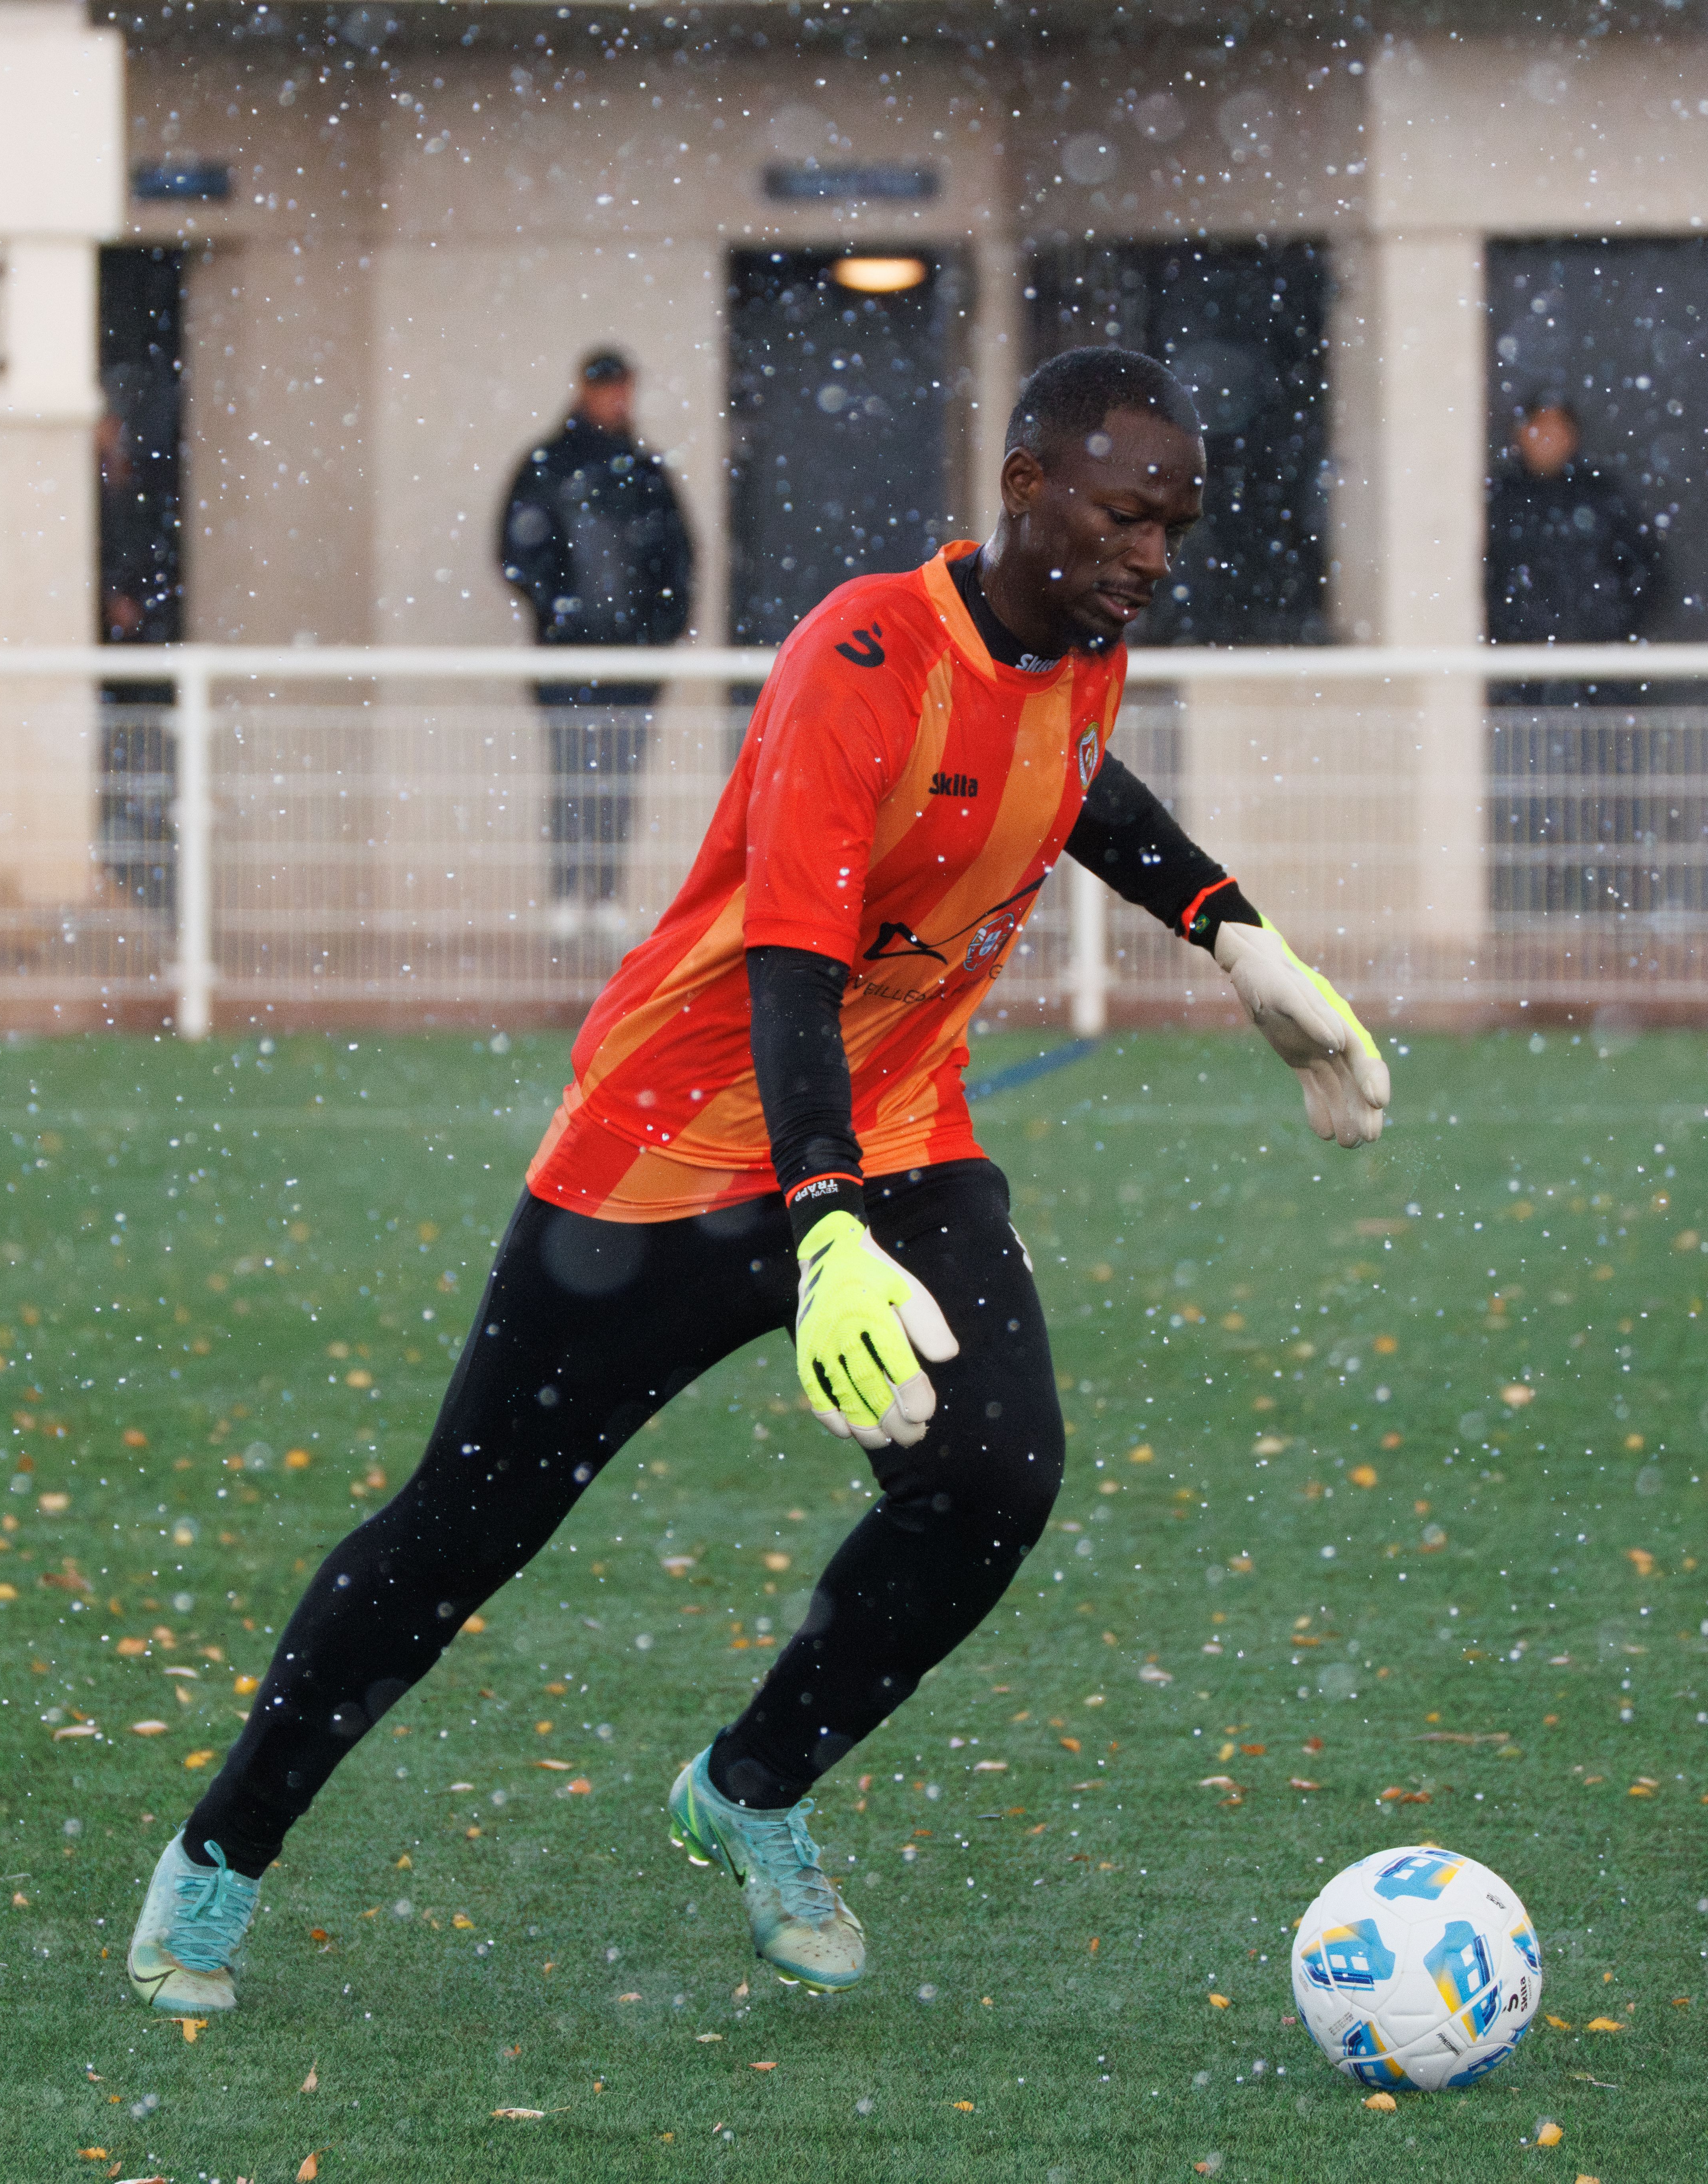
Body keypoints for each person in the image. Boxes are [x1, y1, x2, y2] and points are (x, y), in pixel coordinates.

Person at [128, 347, 1389, 2015]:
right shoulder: (860, 657)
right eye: (1123, 516)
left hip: (897, 1134)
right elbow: (790, 973)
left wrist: (1232, 930)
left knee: (994, 1477)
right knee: (464, 1528)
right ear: (1023, 487)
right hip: (669, 1154)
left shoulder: (1085, 646)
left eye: (1176, 526)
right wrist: (822, 1228)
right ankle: (220, 1849)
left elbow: (1075, 780)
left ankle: (751, 1786)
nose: (1152, 556)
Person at [499, 350, 695, 903]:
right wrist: (559, 612)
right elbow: (517, 551)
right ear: (584, 390)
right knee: (572, 773)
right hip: (569, 656)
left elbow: (677, 560)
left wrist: (659, 632)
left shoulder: (645, 473)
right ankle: (567, 894)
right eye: (608, 389)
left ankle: (604, 895)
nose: (617, 400)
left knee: (617, 780)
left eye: (623, 389)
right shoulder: (549, 467)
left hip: (631, 659)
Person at [1486, 399, 1660, 701]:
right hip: (1518, 676)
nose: (1548, 439)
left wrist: (1612, 628)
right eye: (1539, 428)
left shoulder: (1601, 494)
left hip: (1600, 677)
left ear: (1573, 436)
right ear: (1520, 435)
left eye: (1558, 429)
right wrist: (1507, 630)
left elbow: (1648, 570)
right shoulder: (1499, 500)